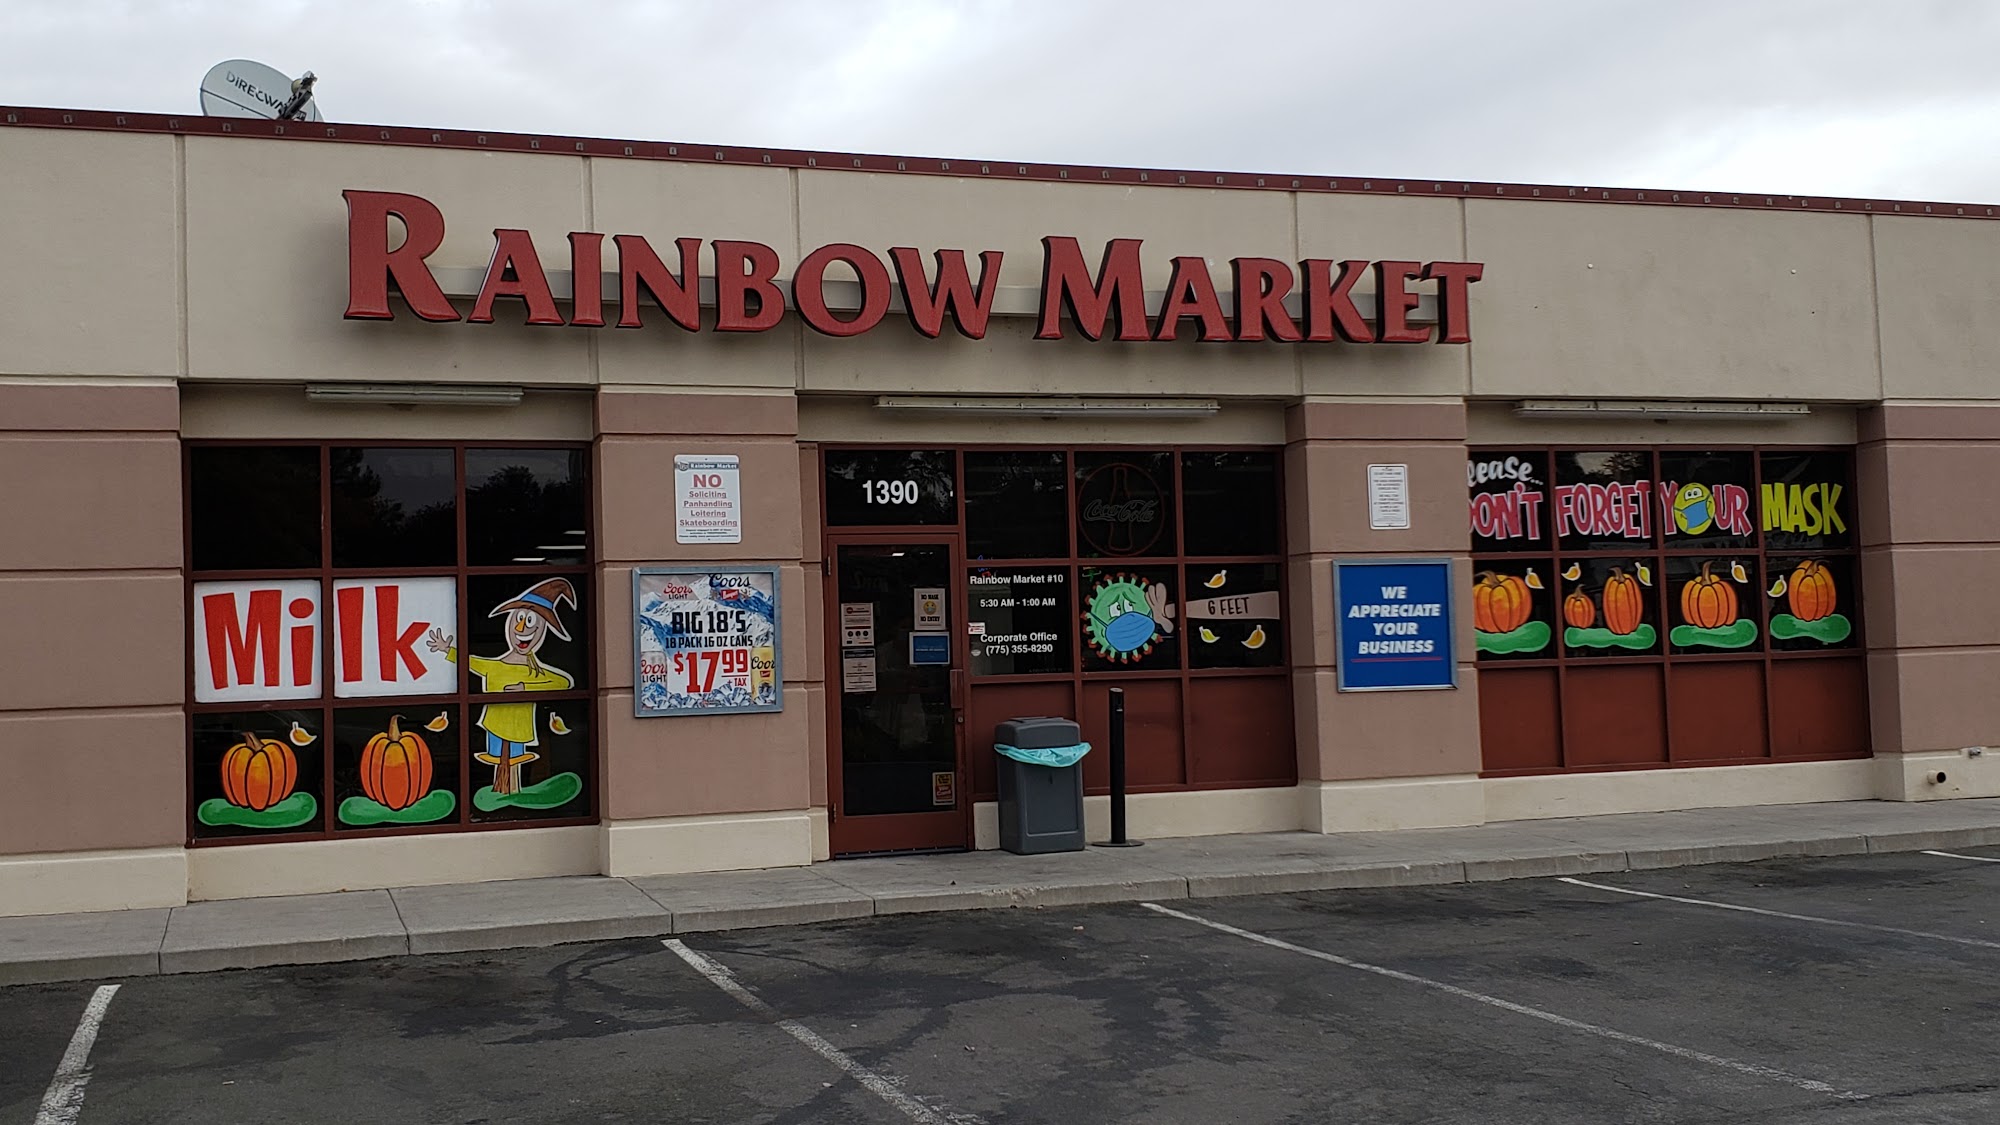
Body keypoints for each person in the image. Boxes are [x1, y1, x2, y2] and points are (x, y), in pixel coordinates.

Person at [427, 577, 575, 795]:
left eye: (530, 621)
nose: (522, 628)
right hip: (494, 725)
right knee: (498, 760)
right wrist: (447, 650)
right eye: (519, 619)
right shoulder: (494, 666)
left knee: (515, 761)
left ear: (542, 629)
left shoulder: (536, 672)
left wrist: (525, 688)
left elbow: (563, 682)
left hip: (519, 728)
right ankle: (500, 791)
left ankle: (513, 792)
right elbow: (471, 662)